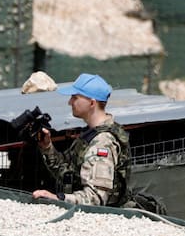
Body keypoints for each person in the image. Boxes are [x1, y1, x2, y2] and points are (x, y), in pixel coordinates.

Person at [32, 73, 131, 206]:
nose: (70, 102)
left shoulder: (102, 142)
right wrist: (47, 147)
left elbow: (96, 198)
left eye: (75, 97)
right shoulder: (91, 133)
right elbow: (67, 172)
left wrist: (58, 199)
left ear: (91, 102)